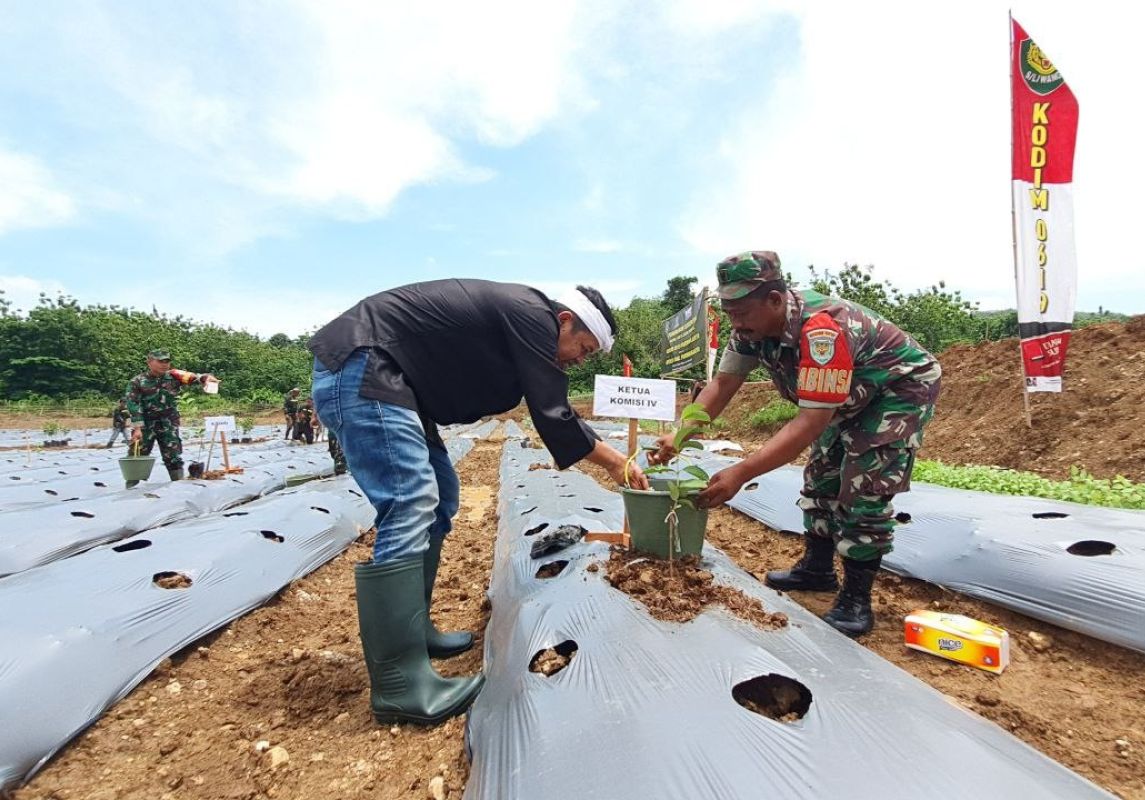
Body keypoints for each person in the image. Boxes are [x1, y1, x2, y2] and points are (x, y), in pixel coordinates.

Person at [308, 279, 649, 727]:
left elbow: (554, 402)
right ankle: (399, 682)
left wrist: (608, 455)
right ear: (564, 321)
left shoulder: (528, 323)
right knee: (410, 501)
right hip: (364, 366)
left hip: (396, 384)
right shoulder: (532, 314)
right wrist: (614, 463)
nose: (579, 359)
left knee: (441, 495)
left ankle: (415, 633)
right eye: (582, 347)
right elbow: (551, 411)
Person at [651, 252, 941, 637]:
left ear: (775, 300)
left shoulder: (822, 331)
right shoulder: (748, 332)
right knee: (821, 474)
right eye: (729, 312)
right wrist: (680, 434)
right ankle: (818, 569)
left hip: (894, 390)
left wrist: (741, 472)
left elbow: (809, 422)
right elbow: (722, 385)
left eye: (742, 312)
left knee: (863, 486)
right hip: (843, 398)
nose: (736, 322)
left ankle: (856, 599)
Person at [125, 349, 217, 488]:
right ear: (149, 362)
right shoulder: (138, 381)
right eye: (160, 361)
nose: (164, 364)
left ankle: (178, 486)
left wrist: (206, 378)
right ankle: (131, 488)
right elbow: (133, 404)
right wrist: (137, 428)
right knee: (138, 454)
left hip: (168, 422)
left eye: (166, 361)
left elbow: (197, 377)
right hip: (145, 424)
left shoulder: (175, 376)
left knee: (173, 455)